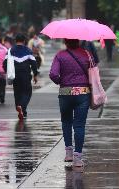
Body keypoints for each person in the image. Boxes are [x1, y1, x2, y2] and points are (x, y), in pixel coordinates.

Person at [49, 39, 93, 167]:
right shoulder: (86, 54)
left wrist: (61, 81)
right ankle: (78, 158)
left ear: (65, 42)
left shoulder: (60, 55)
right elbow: (94, 71)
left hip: (65, 93)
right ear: (78, 41)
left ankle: (68, 154)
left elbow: (53, 74)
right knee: (79, 125)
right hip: (83, 93)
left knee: (66, 122)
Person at [3, 33, 39, 120]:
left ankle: (22, 110)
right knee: (27, 92)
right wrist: (35, 75)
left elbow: (4, 64)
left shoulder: (10, 50)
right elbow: (34, 64)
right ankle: (22, 107)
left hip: (15, 76)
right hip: (25, 75)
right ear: (24, 41)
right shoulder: (28, 50)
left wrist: (7, 73)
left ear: (15, 41)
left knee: (17, 93)